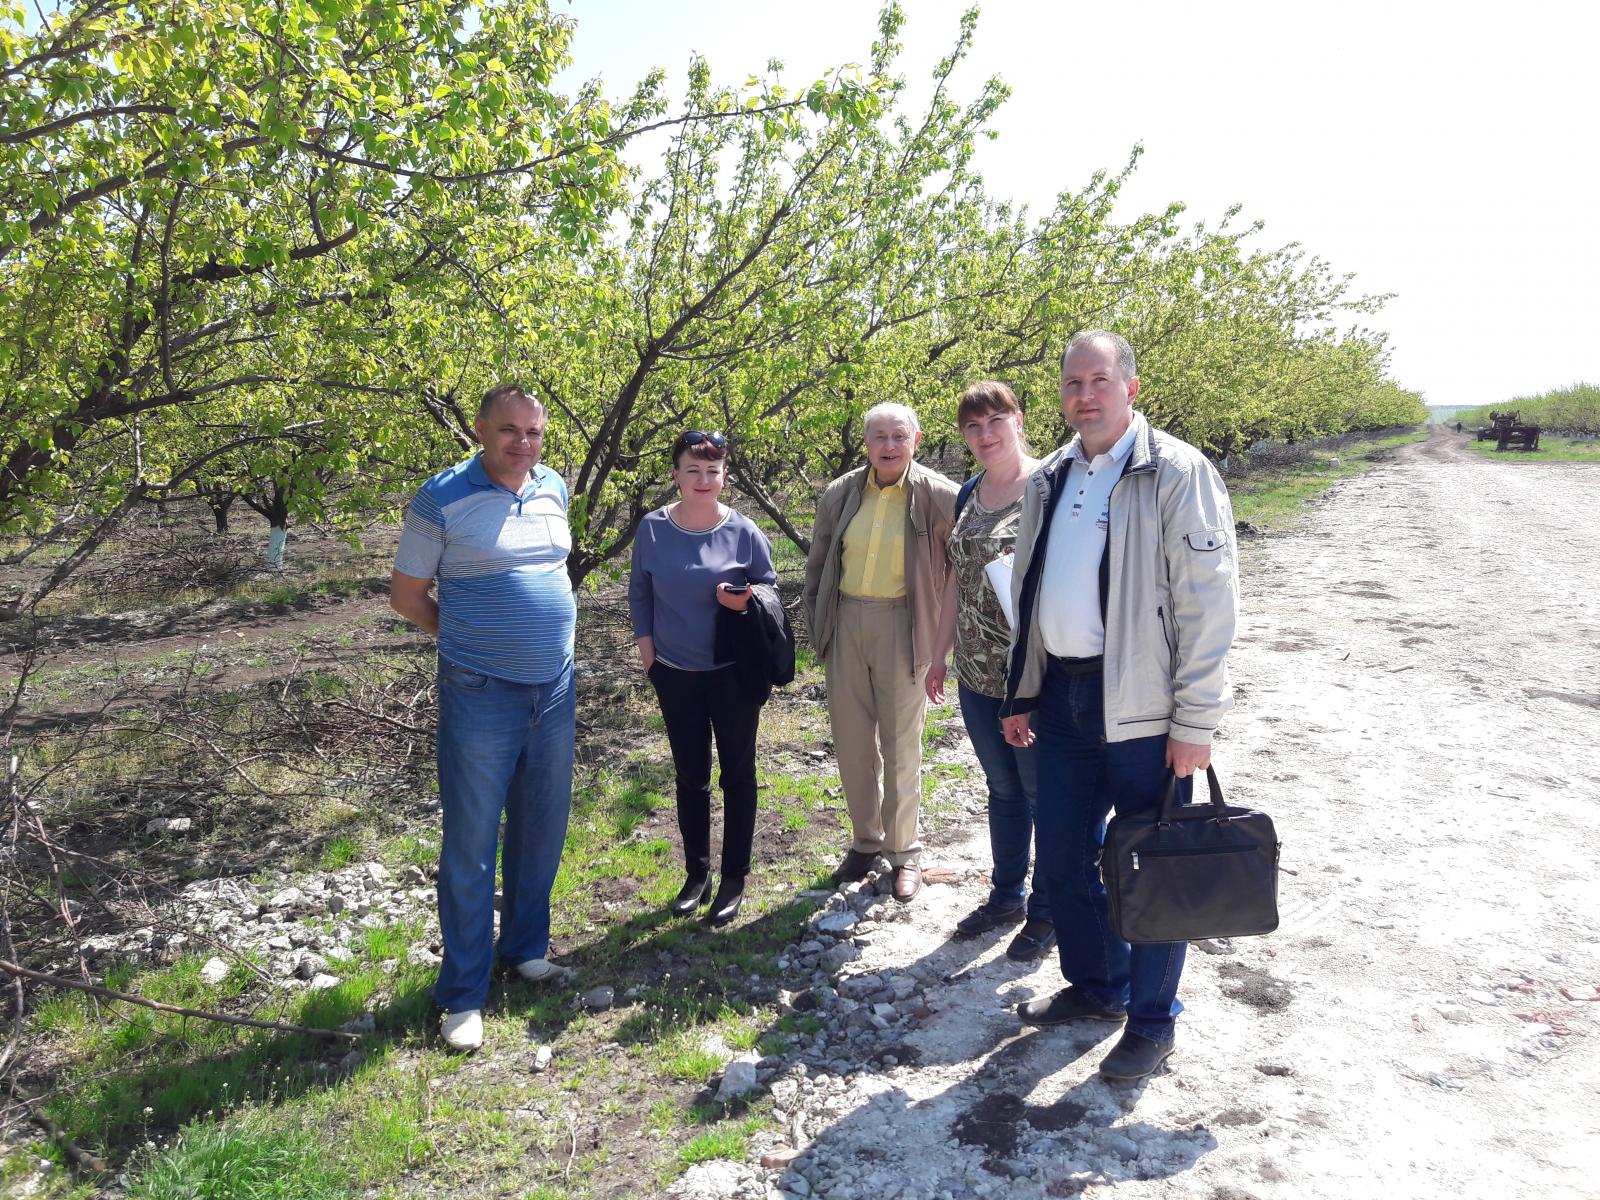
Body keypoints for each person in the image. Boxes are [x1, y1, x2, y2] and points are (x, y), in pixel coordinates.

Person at [1000, 331, 1239, 1082]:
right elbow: (1029, 592)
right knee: (1065, 857)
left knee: (1152, 869)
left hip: (1143, 708)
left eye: (1099, 381)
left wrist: (1195, 723)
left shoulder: (1176, 471)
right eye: (1073, 383)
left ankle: (1153, 1021)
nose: (1085, 396)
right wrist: (1022, 690)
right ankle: (1098, 986)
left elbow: (1209, 607)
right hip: (1063, 699)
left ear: (1131, 388)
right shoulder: (1050, 477)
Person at [390, 383, 576, 1052]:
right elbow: (407, 594)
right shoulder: (441, 496)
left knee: (541, 824)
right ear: (480, 429)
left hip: (554, 686)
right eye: (508, 430)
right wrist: (468, 641)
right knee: (471, 841)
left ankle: (524, 949)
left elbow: (552, 570)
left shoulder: (553, 486)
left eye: (534, 431)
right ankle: (464, 993)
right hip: (480, 689)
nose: (523, 442)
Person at [804, 403, 957, 903]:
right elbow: (818, 562)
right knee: (851, 742)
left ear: (916, 440)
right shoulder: (841, 492)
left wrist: (942, 639)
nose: (889, 446)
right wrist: (818, 622)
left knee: (901, 745)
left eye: (899, 436)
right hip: (846, 620)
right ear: (866, 442)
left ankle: (904, 853)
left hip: (905, 625)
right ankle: (865, 842)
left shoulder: (940, 495)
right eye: (879, 437)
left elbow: (962, 568)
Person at [925, 382, 1053, 961]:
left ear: (1018, 420)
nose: (985, 434)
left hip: (1033, 676)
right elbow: (956, 576)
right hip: (977, 675)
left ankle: (1049, 908)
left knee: (1042, 792)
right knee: (1002, 789)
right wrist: (940, 653)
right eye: (972, 426)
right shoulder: (970, 492)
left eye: (995, 420)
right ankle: (1007, 896)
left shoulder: (1050, 486)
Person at [629, 430, 777, 928]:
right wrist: (649, 655)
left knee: (737, 774)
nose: (703, 479)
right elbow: (639, 593)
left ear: (725, 477)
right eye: (692, 469)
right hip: (674, 672)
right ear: (676, 475)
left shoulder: (744, 530)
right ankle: (697, 874)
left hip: (733, 672)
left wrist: (744, 599)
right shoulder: (652, 528)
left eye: (712, 470)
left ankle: (734, 877)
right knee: (690, 776)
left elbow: (769, 588)